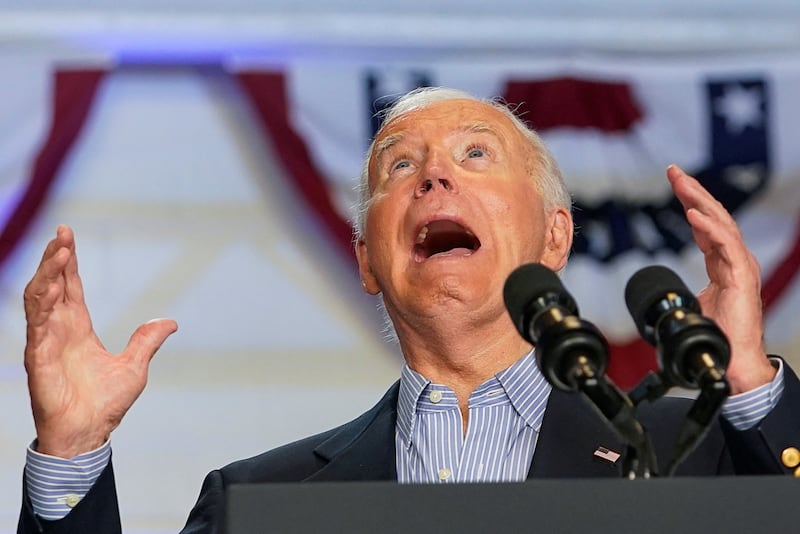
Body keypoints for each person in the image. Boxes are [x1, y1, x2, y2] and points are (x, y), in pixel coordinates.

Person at [17, 87, 800, 533]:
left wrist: (747, 382)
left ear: (554, 237)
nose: (432, 178)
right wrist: (71, 456)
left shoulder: (697, 450)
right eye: (401, 165)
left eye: (474, 155)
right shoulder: (261, 501)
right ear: (366, 260)